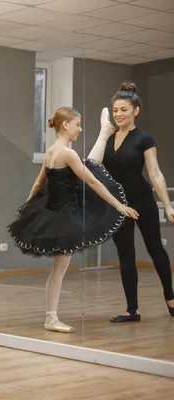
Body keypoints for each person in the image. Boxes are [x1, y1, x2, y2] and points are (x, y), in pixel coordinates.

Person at [7, 106, 139, 333]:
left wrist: (26, 206)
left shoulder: (50, 151)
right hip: (64, 214)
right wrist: (118, 205)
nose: (79, 129)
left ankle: (104, 133)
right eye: (77, 124)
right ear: (65, 125)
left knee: (92, 164)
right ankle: (51, 318)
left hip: (57, 208)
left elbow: (39, 183)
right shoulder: (68, 154)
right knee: (59, 270)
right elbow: (93, 183)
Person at [87, 81, 174, 323]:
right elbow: (94, 166)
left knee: (155, 249)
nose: (119, 115)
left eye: (124, 110)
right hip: (118, 205)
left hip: (142, 201)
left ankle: (171, 298)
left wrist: (167, 205)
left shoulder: (144, 139)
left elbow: (155, 173)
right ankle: (132, 310)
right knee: (126, 255)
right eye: (115, 110)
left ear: (135, 111)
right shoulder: (109, 137)